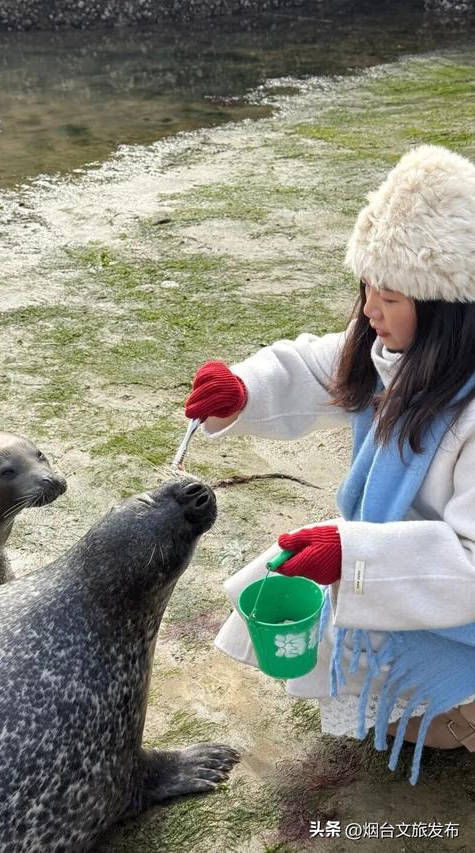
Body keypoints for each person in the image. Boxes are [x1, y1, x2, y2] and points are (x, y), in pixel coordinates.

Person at [184, 145, 475, 784]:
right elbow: (319, 363)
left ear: (449, 310)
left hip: (456, 587)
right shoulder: (397, 351)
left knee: (426, 729)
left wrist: (355, 557)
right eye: (366, 288)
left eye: (391, 297)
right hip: (407, 568)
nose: (370, 311)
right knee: (316, 601)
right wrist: (244, 389)